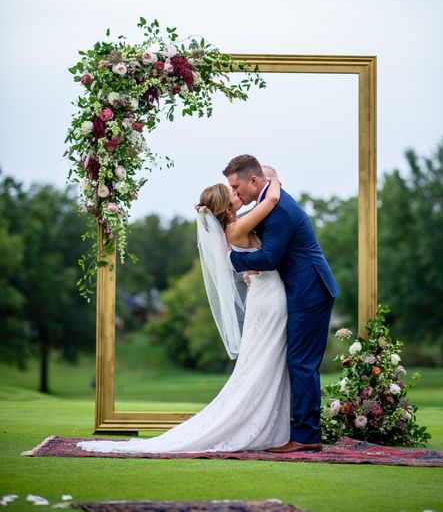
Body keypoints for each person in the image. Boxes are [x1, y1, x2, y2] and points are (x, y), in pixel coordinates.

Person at [77, 177, 291, 454]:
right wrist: (271, 180)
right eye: (233, 193)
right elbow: (272, 199)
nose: (238, 193)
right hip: (269, 299)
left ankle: (274, 425)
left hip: (264, 296)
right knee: (265, 362)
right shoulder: (238, 227)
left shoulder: (235, 226)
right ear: (227, 209)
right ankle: (265, 427)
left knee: (265, 362)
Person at [223, 154, 339, 453]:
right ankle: (299, 430)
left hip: (309, 291)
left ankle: (306, 436)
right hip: (301, 289)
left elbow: (269, 258)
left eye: (237, 187)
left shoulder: (279, 211)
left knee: (301, 364)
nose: (236, 194)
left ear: (254, 180)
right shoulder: (269, 204)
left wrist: (232, 259)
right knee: (298, 362)